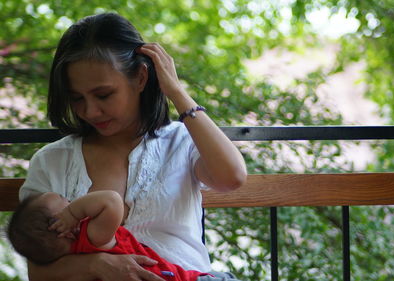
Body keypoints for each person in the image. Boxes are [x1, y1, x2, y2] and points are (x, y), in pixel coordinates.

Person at [19, 12, 247, 281]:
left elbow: (232, 177)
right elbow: (37, 272)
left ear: (140, 78)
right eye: (76, 98)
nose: (90, 111)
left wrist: (176, 92)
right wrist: (97, 265)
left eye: (103, 95)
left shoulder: (181, 142)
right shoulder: (52, 161)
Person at [8, 191, 240, 281]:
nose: (73, 202)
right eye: (66, 203)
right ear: (64, 228)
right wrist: (73, 213)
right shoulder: (93, 237)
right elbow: (111, 201)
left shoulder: (69, 254)